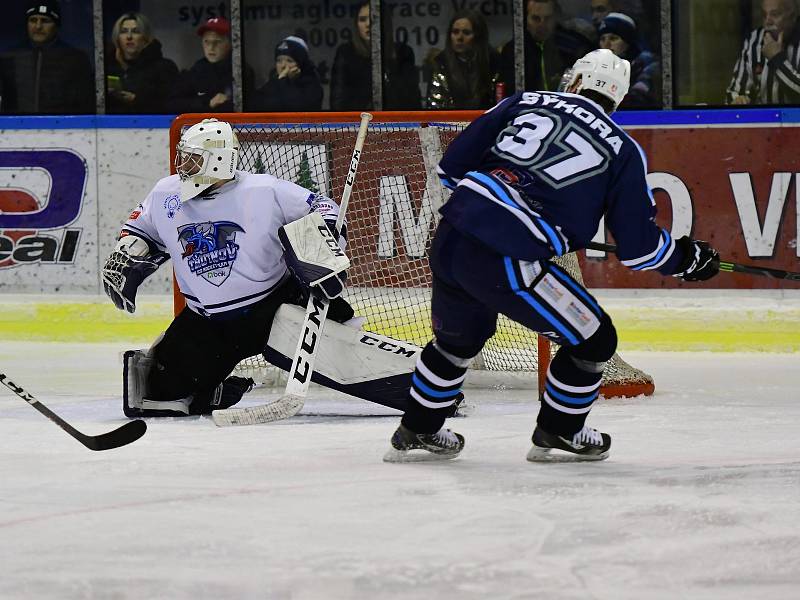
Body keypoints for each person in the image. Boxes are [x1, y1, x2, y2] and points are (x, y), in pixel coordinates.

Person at [383, 49, 721, 463]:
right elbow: (639, 249)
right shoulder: (624, 150)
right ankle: (560, 431)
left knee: (459, 341)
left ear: (574, 81)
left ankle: (418, 429)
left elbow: (451, 169)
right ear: (618, 99)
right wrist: (686, 259)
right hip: (506, 257)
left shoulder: (523, 101)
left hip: (451, 236)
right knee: (595, 339)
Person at [101, 118, 371, 417]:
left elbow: (322, 206)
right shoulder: (166, 193)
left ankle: (351, 335)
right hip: (207, 323)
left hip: (275, 308)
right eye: (182, 155)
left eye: (192, 158)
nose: (181, 165)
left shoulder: (265, 190)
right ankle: (212, 392)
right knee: (157, 394)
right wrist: (128, 252)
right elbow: (140, 228)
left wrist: (324, 238)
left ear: (217, 161)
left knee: (347, 348)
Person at [0, 0, 94, 114]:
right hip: (15, 129)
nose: (38, 26)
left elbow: (86, 103)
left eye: (45, 21)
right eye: (33, 20)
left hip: (64, 128)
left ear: (56, 25)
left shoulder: (75, 58)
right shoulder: (10, 57)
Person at [329, 1, 420, 110]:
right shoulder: (346, 53)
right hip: (358, 123)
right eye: (362, 19)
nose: (368, 24)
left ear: (384, 21)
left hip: (395, 123)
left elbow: (412, 100)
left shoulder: (403, 53)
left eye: (373, 18)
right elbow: (338, 102)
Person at [166, 17, 254, 113]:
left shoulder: (240, 71)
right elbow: (173, 104)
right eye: (207, 42)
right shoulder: (196, 70)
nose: (211, 47)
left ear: (230, 44)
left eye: (217, 42)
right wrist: (207, 103)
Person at [726, 0, 800, 105]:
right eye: (764, 15)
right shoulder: (754, 40)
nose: (767, 21)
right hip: (765, 120)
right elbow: (734, 92)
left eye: (775, 14)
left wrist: (777, 59)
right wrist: (738, 100)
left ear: (792, 17)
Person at [425, 10, 500, 109]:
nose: (459, 37)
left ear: (478, 36)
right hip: (449, 122)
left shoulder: (493, 63)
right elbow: (434, 106)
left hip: (486, 121)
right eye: (455, 32)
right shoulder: (441, 64)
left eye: (466, 33)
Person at [105, 12, 178, 114]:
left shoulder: (164, 68)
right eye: (124, 32)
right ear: (117, 38)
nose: (129, 37)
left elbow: (172, 105)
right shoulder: (106, 68)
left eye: (135, 31)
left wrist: (136, 100)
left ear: (146, 38)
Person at [497, 0, 569, 94]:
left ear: (555, 18)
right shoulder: (514, 50)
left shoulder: (570, 46)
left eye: (548, 18)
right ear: (525, 20)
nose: (542, 25)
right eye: (536, 18)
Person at [598, 12, 660, 108]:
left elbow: (639, 101)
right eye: (602, 39)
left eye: (613, 38)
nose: (606, 45)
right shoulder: (596, 66)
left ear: (628, 43)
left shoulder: (647, 64)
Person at [249, 36, 323, 112]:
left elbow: (297, 108)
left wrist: (285, 82)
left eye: (289, 61)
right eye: (279, 61)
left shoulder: (312, 86)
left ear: (300, 64)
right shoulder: (273, 82)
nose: (283, 65)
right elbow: (255, 105)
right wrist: (281, 81)